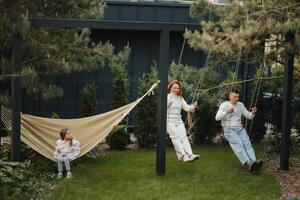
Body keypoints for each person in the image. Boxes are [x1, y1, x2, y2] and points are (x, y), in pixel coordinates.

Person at [215, 90, 263, 171]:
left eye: (238, 97)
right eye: (235, 97)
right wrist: (227, 111)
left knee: (247, 143)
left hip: (240, 128)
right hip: (228, 129)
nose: (237, 98)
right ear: (230, 96)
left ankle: (255, 162)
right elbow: (217, 118)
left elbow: (248, 116)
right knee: (239, 144)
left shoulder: (240, 105)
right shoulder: (224, 105)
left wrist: (253, 113)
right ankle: (249, 163)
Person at [167, 80, 200, 162]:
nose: (176, 90)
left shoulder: (180, 98)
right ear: (170, 88)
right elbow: (161, 110)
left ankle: (190, 155)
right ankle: (183, 156)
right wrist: (167, 105)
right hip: (169, 121)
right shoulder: (167, 97)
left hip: (179, 121)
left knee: (184, 138)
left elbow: (187, 108)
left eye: (178, 88)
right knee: (176, 138)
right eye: (174, 88)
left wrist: (193, 106)